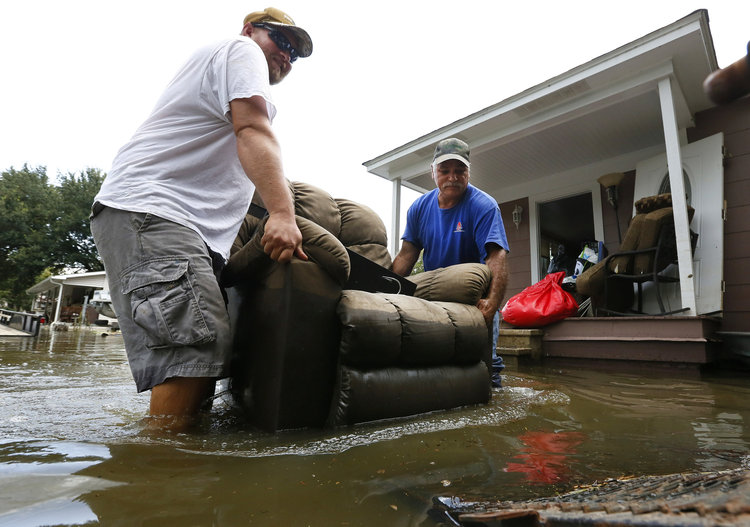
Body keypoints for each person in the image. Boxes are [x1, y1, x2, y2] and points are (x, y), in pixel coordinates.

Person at [90, 7, 312, 430]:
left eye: (295, 53)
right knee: (195, 345)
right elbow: (253, 132)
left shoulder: (234, 79)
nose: (287, 55)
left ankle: (182, 460)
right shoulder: (240, 51)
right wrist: (283, 213)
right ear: (251, 30)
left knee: (198, 349)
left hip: (168, 221)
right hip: (157, 211)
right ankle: (163, 475)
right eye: (281, 41)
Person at [392, 138, 510, 387]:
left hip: (475, 300)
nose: (452, 177)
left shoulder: (484, 206)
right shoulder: (419, 209)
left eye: (460, 171)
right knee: (437, 361)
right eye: (445, 170)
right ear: (432, 172)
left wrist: (491, 303)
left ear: (469, 172)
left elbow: (496, 256)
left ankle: (495, 405)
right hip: (435, 297)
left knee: (485, 364)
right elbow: (406, 255)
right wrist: (385, 289)